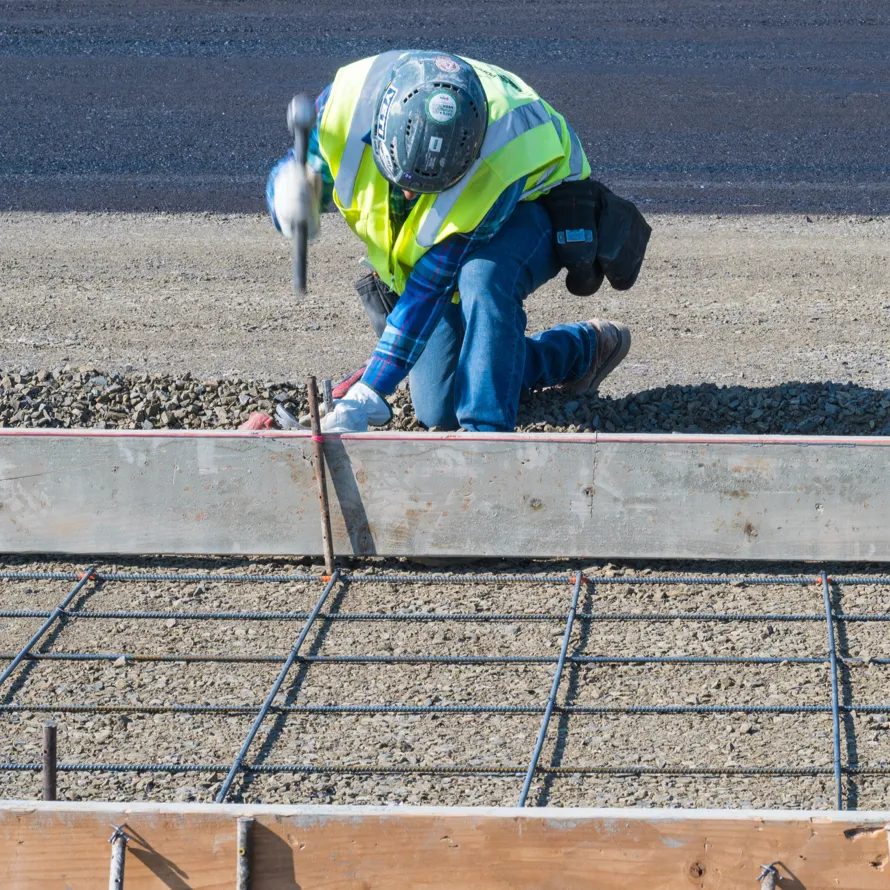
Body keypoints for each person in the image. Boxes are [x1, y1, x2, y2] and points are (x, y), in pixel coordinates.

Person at [266, 51, 646, 433]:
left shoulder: (496, 162)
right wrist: (289, 192)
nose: (411, 197)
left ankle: (487, 439)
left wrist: (371, 390)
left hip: (542, 198)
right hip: (468, 199)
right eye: (404, 182)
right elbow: (301, 166)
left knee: (483, 277)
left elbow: (431, 285)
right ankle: (584, 352)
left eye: (426, 186)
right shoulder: (343, 105)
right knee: (440, 407)